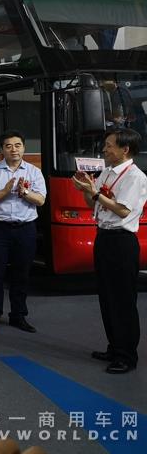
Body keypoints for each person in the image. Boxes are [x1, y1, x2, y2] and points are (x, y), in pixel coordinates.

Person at [72, 128, 147, 374]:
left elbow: (123, 210)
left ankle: (127, 355)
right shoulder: (106, 172)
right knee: (106, 296)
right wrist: (86, 190)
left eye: (109, 145)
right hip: (103, 237)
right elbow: (93, 204)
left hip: (122, 241)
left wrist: (95, 193)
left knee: (123, 300)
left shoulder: (136, 177)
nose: (104, 149)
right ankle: (114, 347)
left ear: (125, 149)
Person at [0, 130, 46, 333]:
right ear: (2, 150)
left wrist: (25, 193)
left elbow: (41, 200)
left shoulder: (34, 172)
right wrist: (5, 191)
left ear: (24, 148)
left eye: (17, 145)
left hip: (25, 228)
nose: (13, 149)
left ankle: (18, 316)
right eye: (8, 146)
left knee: (21, 274)